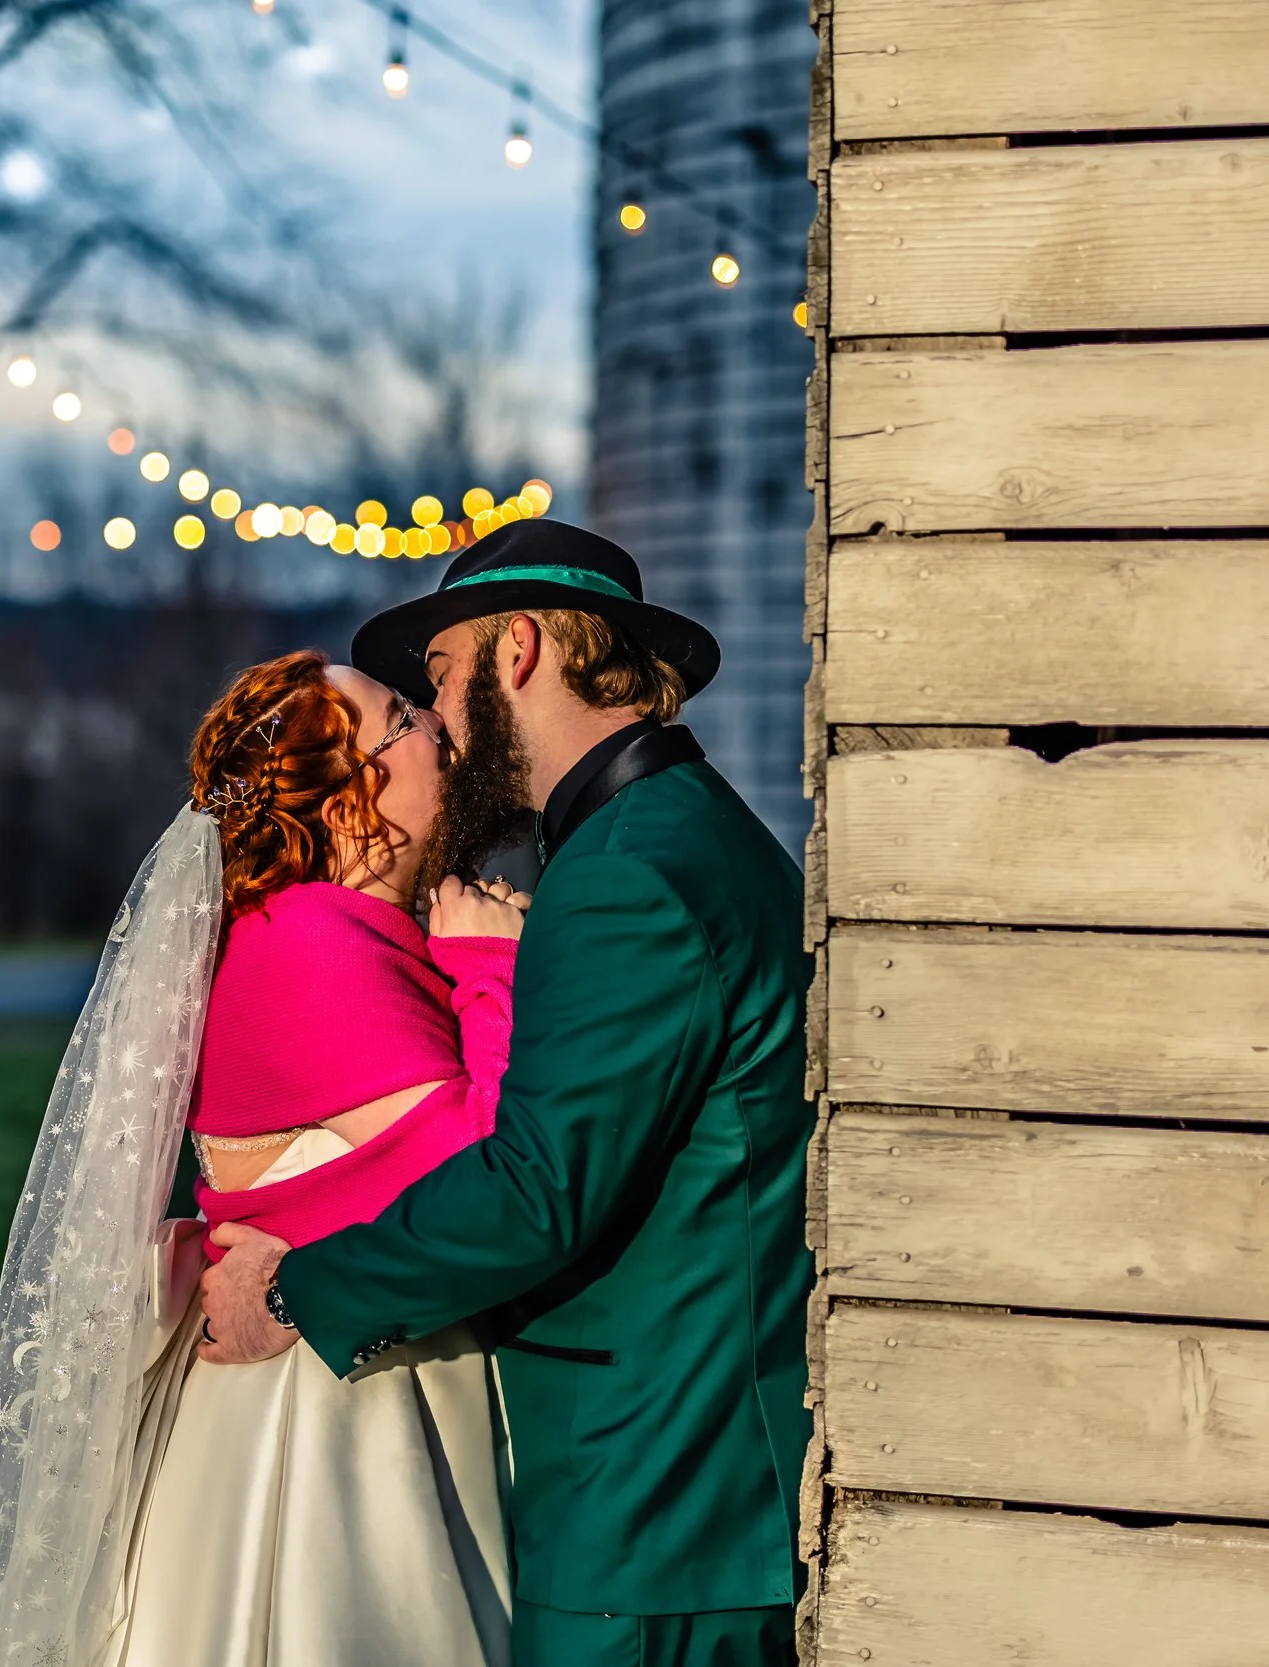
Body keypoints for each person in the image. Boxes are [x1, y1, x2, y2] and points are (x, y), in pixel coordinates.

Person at [197, 519, 816, 1667]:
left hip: (657, 1505)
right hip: (677, 1485)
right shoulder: (682, 835)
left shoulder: (626, 871)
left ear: (515, 651)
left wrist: (291, 1293)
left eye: (437, 677)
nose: (436, 715)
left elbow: (533, 1187)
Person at [0, 649, 528, 1667]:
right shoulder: (312, 943)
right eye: (406, 718)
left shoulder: (336, 929)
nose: (439, 733)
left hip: (352, 1375)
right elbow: (488, 1173)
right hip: (334, 1440)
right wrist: (489, 966)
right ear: (346, 806)